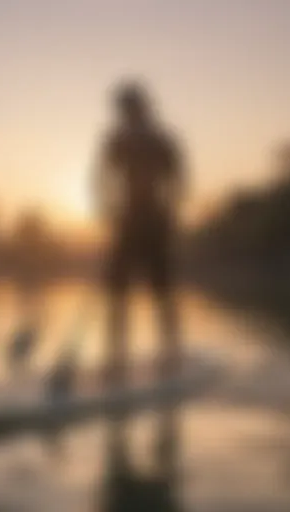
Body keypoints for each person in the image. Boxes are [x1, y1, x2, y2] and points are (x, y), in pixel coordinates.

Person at [93, 80, 186, 386]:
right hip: (126, 221)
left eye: (129, 107)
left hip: (155, 222)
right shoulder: (116, 140)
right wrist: (107, 209)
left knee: (161, 290)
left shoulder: (161, 140)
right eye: (122, 108)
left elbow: (178, 180)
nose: (124, 113)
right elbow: (102, 178)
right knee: (117, 293)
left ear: (142, 107)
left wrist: (171, 214)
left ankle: (170, 356)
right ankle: (115, 360)